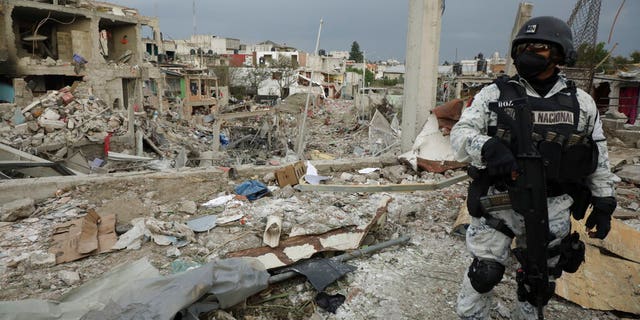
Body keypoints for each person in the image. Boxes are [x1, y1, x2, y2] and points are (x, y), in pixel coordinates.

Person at [450, 16, 619, 320]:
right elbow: (460, 136)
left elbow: (597, 154)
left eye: (538, 47)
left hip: (553, 205)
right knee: (484, 274)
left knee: (539, 281)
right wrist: (488, 147)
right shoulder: (494, 95)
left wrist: (604, 200)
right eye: (524, 46)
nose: (529, 51)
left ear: (560, 53)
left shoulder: (581, 103)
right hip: (501, 200)